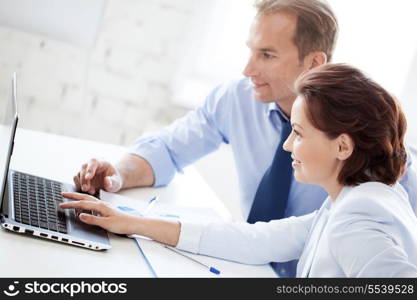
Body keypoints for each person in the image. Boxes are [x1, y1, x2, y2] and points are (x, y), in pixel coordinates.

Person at [72, 0, 417, 277]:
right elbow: (257, 239)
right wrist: (134, 223)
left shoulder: (358, 218)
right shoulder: (340, 204)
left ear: (343, 146)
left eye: (267, 54)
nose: (247, 69)